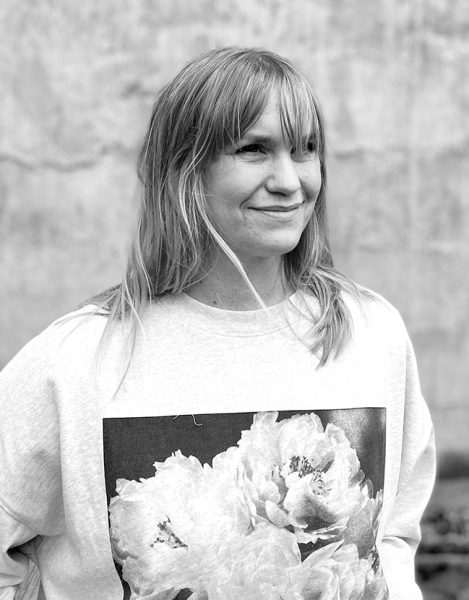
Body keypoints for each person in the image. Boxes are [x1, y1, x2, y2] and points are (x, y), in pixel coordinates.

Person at [0, 47, 435, 600]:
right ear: (185, 168)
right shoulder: (77, 359)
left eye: (305, 150)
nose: (289, 180)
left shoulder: (371, 334)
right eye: (254, 150)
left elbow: (391, 537)